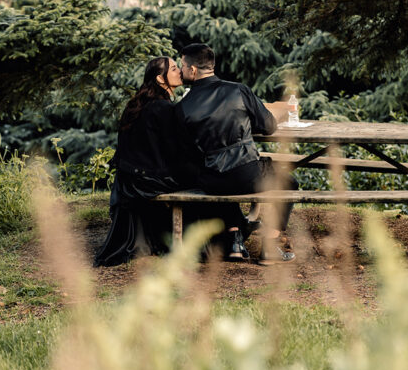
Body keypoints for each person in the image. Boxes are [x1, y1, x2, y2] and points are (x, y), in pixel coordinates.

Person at [175, 42, 295, 264]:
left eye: (181, 66)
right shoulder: (238, 90)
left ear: (192, 70)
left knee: (224, 182)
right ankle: (269, 246)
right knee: (288, 183)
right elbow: (268, 126)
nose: (180, 70)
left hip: (210, 180)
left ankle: (234, 242)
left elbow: (185, 151)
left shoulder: (182, 107)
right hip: (246, 175)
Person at [94, 55, 199, 266]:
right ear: (161, 79)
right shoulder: (164, 108)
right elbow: (175, 151)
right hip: (148, 180)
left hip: (130, 178)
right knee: (204, 178)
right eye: (173, 69)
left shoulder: (138, 104)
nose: (179, 70)